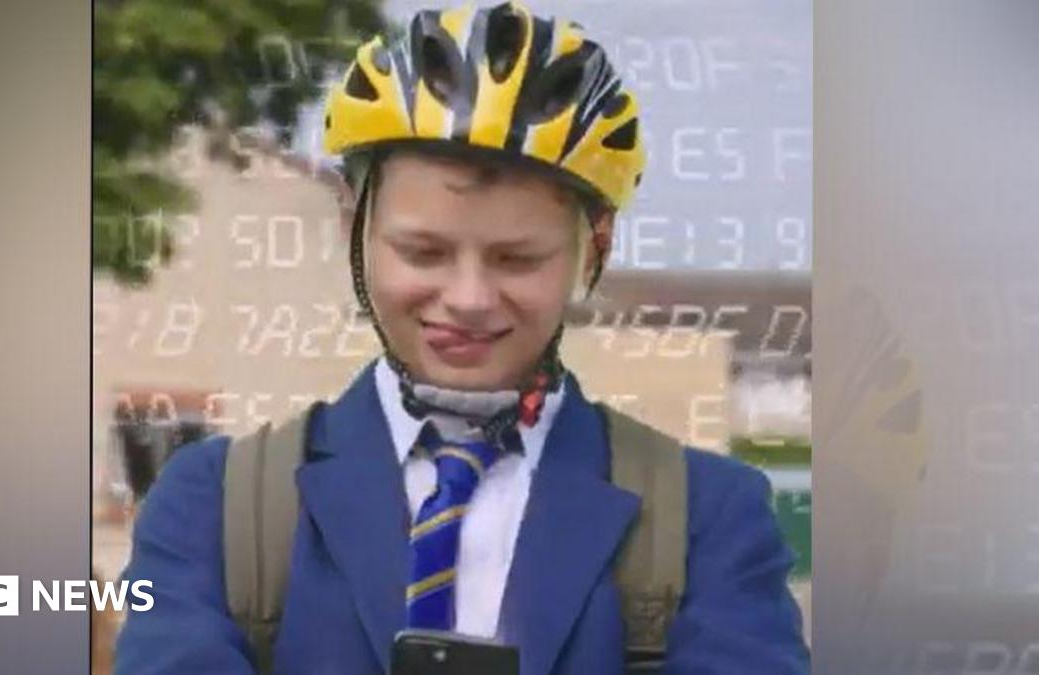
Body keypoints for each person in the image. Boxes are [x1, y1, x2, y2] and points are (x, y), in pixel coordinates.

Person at [114, 2, 809, 673]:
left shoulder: (707, 519)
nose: (469, 299)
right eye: (422, 252)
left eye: (517, 259)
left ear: (594, 247)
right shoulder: (213, 508)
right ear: (353, 225)